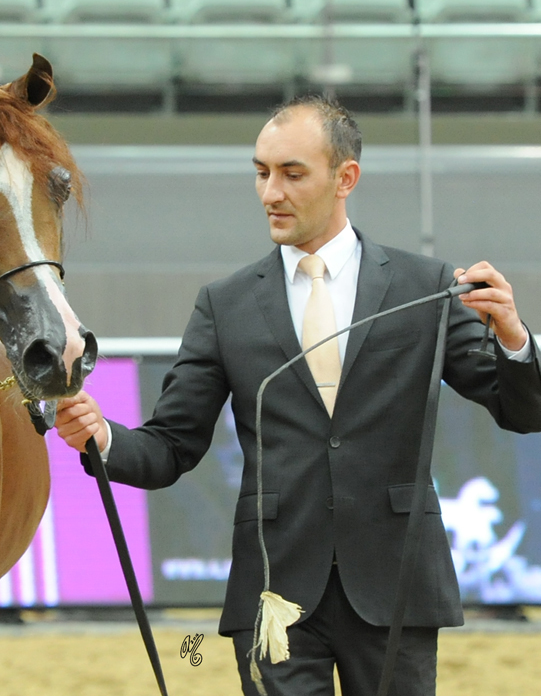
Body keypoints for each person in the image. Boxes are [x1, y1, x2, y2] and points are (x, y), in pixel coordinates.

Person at [55, 96, 541, 696]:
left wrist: (515, 338)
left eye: (291, 173)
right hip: (273, 595)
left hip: (396, 590)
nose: (270, 193)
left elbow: (523, 410)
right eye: (261, 172)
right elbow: (172, 445)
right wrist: (101, 436)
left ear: (346, 178)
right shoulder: (224, 304)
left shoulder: (430, 287)